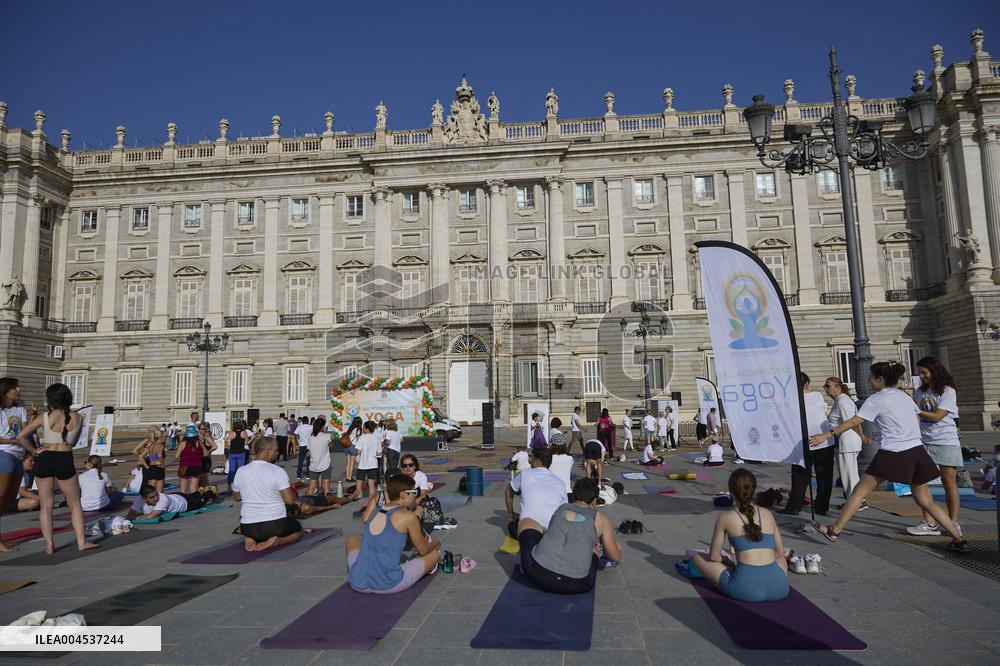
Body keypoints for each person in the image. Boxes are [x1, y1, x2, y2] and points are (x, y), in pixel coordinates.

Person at [809, 361, 968, 551]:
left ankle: (834, 530)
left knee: (859, 491)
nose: (868, 380)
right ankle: (958, 539)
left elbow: (854, 421)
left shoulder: (877, 399)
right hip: (917, 451)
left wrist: (827, 435)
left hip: (893, 452)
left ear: (880, 379)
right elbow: (916, 418)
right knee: (926, 501)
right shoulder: (904, 396)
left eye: (870, 377)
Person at [15, 383, 97, 554]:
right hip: (64, 458)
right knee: (75, 504)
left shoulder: (45, 417)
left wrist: (34, 451)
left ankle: (49, 545)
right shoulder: (78, 417)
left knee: (46, 505)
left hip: (45, 457)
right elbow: (73, 442)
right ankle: (81, 542)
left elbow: (21, 437)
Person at [693, 469, 789, 602]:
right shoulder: (768, 514)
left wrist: (728, 562)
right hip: (779, 588)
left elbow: (714, 557)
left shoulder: (725, 518)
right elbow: (779, 552)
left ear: (731, 492)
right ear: (755, 490)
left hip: (744, 589)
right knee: (781, 559)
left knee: (697, 558)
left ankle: (740, 573)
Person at [518, 477, 621, 594]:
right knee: (597, 550)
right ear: (594, 501)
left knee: (526, 522)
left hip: (537, 574)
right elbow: (615, 557)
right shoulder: (601, 519)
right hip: (577, 584)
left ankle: (523, 567)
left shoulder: (561, 508)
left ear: (574, 495)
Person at [346, 473, 441, 594]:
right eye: (413, 492)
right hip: (387, 584)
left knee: (352, 539)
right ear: (403, 495)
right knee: (434, 554)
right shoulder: (408, 517)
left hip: (357, 581)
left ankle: (365, 567)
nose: (415, 496)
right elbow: (423, 550)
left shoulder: (376, 511)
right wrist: (436, 542)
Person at [908, 357, 962, 537]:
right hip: (923, 440)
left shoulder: (947, 391)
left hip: (945, 440)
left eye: (924, 372)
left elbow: (938, 416)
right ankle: (929, 522)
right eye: (920, 373)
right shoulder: (920, 391)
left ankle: (953, 522)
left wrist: (915, 411)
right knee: (920, 482)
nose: (921, 376)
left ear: (934, 371)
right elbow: (916, 416)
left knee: (949, 482)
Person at [232, 437, 302, 551]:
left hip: (247, 526)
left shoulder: (241, 471)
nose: (277, 453)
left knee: (252, 525)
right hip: (275, 525)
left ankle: (250, 538)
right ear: (268, 450)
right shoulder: (277, 471)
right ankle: (278, 541)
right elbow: (289, 500)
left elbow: (236, 497)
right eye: (276, 450)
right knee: (298, 529)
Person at [781, 373, 834, 516]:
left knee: (799, 476)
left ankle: (794, 506)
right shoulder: (817, 395)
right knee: (824, 476)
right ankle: (821, 507)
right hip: (824, 438)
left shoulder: (791, 400)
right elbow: (822, 411)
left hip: (803, 441)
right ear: (807, 383)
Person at [824, 377, 868, 510]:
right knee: (849, 473)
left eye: (828, 386)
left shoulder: (842, 401)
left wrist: (861, 435)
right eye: (825, 386)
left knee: (848, 474)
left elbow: (851, 422)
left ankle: (857, 502)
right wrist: (861, 435)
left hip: (846, 442)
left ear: (837, 387)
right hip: (846, 441)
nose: (826, 389)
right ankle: (854, 500)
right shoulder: (841, 400)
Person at [505, 448, 566, 538]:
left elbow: (508, 492)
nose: (530, 462)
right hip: (551, 530)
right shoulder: (560, 482)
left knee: (511, 526)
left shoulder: (525, 474)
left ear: (537, 462)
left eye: (532, 459)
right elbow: (564, 509)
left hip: (528, 530)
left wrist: (511, 514)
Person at [0, 377, 30, 552]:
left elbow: (25, 431)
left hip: (19, 455)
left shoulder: (20, 408)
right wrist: (14, 440)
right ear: (6, 390)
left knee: (9, 499)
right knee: (1, 496)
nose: (18, 389)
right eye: (15, 387)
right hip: (4, 454)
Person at [126, 485, 218, 520]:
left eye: (156, 495)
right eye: (152, 497)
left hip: (185, 503)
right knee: (192, 496)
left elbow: (152, 515)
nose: (156, 498)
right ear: (144, 498)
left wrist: (137, 517)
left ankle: (211, 491)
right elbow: (131, 513)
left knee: (200, 503)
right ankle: (199, 491)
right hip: (175, 496)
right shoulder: (139, 498)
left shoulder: (163, 499)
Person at [175, 425, 210, 494]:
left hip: (185, 466)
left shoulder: (183, 443)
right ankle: (194, 502)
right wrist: (198, 456)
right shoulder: (199, 443)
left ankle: (184, 502)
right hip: (197, 466)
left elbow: (176, 456)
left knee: (183, 489)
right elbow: (206, 454)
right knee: (193, 488)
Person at [132, 425, 166, 493]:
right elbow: (134, 451)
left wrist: (146, 460)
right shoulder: (156, 441)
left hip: (150, 464)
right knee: (148, 486)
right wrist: (148, 459)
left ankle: (146, 500)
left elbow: (142, 454)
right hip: (153, 464)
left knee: (149, 487)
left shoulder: (152, 443)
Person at [307, 416, 333, 497]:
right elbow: (331, 447)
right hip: (325, 464)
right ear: (322, 427)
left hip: (313, 464)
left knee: (311, 487)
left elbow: (309, 450)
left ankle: (308, 501)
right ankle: (326, 502)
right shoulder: (327, 436)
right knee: (326, 487)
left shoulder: (311, 437)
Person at [224, 420, 252, 494]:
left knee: (231, 470)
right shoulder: (244, 433)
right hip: (241, 453)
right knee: (240, 470)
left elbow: (228, 445)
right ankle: (241, 486)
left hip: (232, 453)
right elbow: (246, 443)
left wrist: (227, 440)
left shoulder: (231, 433)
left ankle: (230, 486)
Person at [356, 421, 381, 501]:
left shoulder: (362, 437)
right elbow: (379, 452)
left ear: (366, 429)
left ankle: (359, 496)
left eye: (363, 427)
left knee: (359, 482)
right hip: (373, 463)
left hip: (363, 463)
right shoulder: (376, 438)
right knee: (371, 483)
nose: (362, 428)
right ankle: (371, 498)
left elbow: (358, 451)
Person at [340, 416, 362, 483]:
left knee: (348, 463)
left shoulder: (350, 428)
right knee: (352, 464)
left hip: (347, 446)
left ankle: (347, 477)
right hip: (353, 446)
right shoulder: (358, 429)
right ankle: (349, 478)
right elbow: (359, 439)